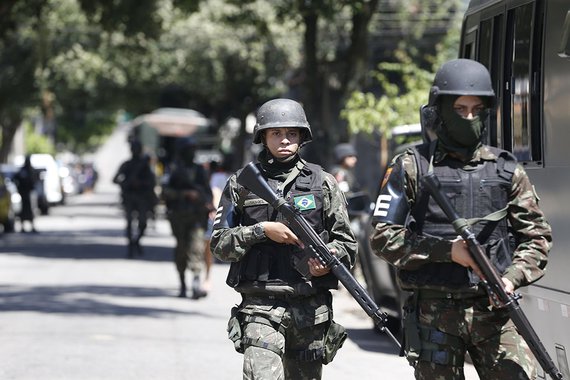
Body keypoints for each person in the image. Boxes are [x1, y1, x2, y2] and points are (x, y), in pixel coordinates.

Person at [369, 59, 553, 380]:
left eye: (476, 109)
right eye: (459, 109)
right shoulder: (412, 166)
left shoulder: (506, 170)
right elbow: (382, 239)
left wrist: (510, 278)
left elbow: (537, 239)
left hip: (494, 310)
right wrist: (446, 251)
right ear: (439, 110)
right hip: (433, 313)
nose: (469, 117)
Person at [210, 98, 357, 380]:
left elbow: (347, 244)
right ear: (263, 137)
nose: (285, 140)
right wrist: (261, 231)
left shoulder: (323, 183)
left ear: (302, 137)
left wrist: (328, 260)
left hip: (311, 310)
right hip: (260, 308)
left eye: (292, 133)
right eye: (276, 133)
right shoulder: (241, 183)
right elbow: (219, 244)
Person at [162, 137, 213, 299]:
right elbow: (165, 193)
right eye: (188, 149)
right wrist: (184, 194)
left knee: (197, 248)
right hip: (179, 216)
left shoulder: (200, 171)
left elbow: (207, 193)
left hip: (197, 216)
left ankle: (196, 283)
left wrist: (207, 202)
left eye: (193, 149)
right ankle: (183, 283)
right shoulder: (174, 170)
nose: (191, 153)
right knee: (181, 250)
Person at [113, 139, 157, 258]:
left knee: (143, 223)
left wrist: (140, 183)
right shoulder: (126, 164)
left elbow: (152, 181)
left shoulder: (145, 166)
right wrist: (126, 183)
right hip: (129, 197)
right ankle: (130, 246)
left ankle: (136, 241)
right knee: (129, 223)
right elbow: (115, 179)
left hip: (142, 197)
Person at [14, 155, 38, 233]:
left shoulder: (30, 170)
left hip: (30, 193)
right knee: (24, 210)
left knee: (32, 209)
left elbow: (35, 179)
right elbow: (16, 178)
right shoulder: (23, 170)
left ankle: (32, 226)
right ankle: (22, 226)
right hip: (24, 193)